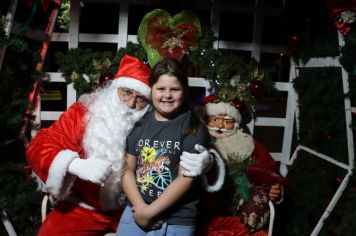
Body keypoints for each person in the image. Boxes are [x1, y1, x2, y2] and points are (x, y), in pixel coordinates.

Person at [25, 55, 218, 235]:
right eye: (126, 93)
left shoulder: (153, 118)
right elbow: (39, 145)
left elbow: (182, 149)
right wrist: (75, 165)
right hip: (86, 208)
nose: (131, 103)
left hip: (131, 209)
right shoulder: (85, 113)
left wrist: (207, 161)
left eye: (140, 98)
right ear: (114, 89)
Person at [116, 58, 209, 236]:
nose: (167, 95)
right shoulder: (139, 123)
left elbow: (186, 179)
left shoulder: (193, 127)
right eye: (161, 89)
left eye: (174, 89)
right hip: (135, 212)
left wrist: (150, 212)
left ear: (185, 91)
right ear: (151, 90)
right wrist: (140, 209)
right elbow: (127, 168)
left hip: (176, 221)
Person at [196, 94, 284, 236]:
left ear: (235, 123)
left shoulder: (249, 144)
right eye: (214, 120)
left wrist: (275, 188)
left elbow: (270, 171)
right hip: (208, 199)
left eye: (227, 121)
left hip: (242, 198)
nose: (220, 125)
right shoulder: (199, 141)